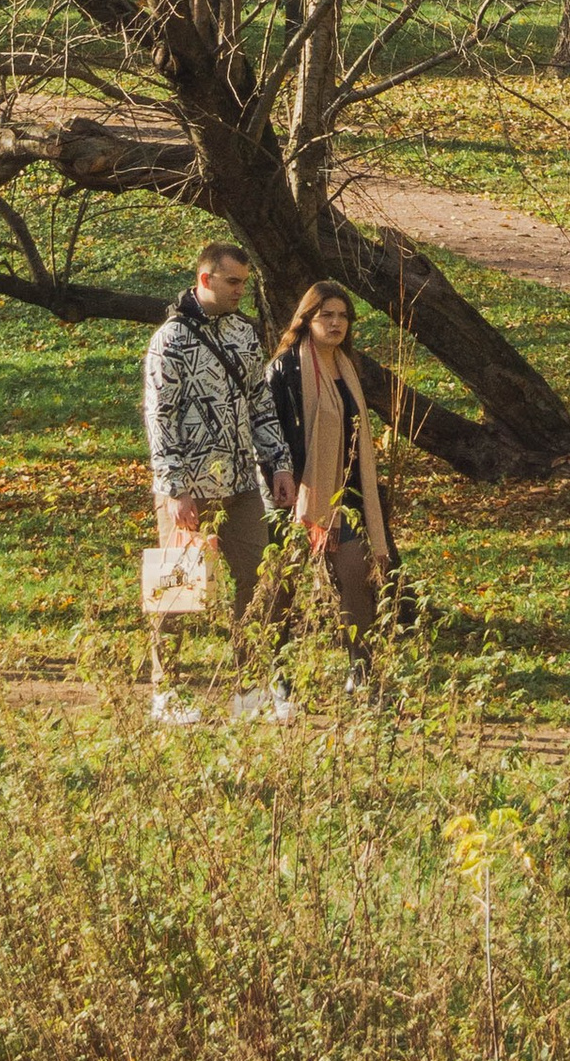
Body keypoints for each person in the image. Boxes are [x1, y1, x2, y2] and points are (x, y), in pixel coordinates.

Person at [140, 240, 296, 724]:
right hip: (188, 485)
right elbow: (159, 417)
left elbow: (260, 402)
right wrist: (175, 488)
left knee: (257, 579)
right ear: (205, 279)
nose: (240, 291)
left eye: (245, 283)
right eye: (232, 282)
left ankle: (248, 690)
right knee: (178, 588)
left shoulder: (244, 334)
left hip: (242, 482)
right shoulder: (170, 340)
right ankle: (168, 692)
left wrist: (280, 462)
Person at [265, 280, 394, 661]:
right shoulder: (283, 371)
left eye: (343, 316)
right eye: (327, 315)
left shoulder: (347, 369)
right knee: (282, 586)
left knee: (355, 575)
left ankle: (361, 667)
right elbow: (265, 431)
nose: (336, 323)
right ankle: (276, 668)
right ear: (307, 319)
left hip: (343, 498)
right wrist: (277, 478)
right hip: (293, 496)